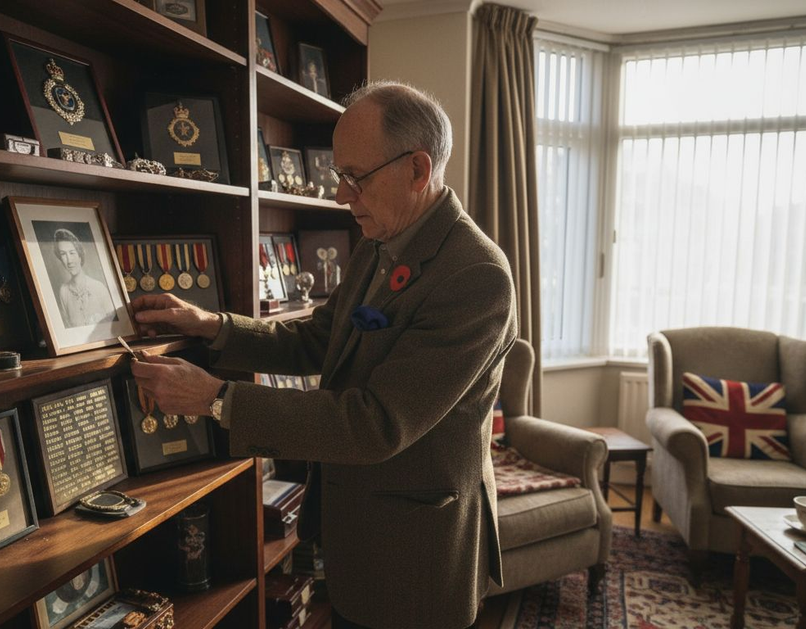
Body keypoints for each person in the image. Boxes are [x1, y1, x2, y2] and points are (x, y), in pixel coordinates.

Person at [128, 81, 517, 629]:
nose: (340, 195)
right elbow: (317, 339)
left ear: (417, 169)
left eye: (355, 177)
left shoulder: (475, 275)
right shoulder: (379, 242)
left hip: (415, 555)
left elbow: (375, 424)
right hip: (357, 536)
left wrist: (219, 399)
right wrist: (211, 323)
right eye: (339, 176)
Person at [52, 228, 116, 327]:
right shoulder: (63, 291)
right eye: (63, 254)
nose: (69, 260)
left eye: (72, 253)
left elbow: (115, 326)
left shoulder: (99, 287)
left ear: (80, 255)